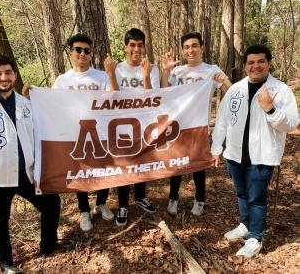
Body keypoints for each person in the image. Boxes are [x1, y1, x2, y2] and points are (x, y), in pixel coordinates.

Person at [0, 55, 61, 274]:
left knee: (51, 203)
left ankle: (48, 247)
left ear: (14, 74)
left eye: (8, 72)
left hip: (24, 172)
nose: (3, 78)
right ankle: (6, 264)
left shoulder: (24, 103)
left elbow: (37, 131)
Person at [211, 45, 299, 258]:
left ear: (269, 63)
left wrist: (271, 109)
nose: (255, 65)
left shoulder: (281, 90)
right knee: (242, 193)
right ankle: (245, 225)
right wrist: (216, 149)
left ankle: (255, 238)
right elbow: (222, 121)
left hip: (262, 156)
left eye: (261, 61)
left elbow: (292, 124)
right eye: (251, 62)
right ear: (245, 66)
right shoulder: (235, 90)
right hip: (234, 154)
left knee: (256, 198)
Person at [161, 32, 232, 216]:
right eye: (186, 47)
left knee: (198, 165)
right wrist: (166, 71)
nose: (190, 50)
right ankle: (173, 199)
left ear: (202, 48)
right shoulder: (178, 71)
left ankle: (200, 200)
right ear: (183, 51)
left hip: (199, 125)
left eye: (194, 46)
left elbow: (231, 92)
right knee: (176, 164)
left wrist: (222, 80)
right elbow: (163, 93)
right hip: (178, 125)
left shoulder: (211, 69)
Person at [53, 33, 116, 232]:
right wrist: (33, 95)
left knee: (105, 168)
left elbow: (114, 99)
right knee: (79, 170)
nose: (83, 54)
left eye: (86, 50)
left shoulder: (101, 76)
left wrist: (111, 74)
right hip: (75, 133)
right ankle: (84, 210)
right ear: (71, 53)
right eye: (78, 50)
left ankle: (100, 203)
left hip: (101, 131)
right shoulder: (62, 80)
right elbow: (52, 104)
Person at [104, 28, 160, 226]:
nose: (136, 49)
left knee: (142, 162)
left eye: (140, 45)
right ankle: (123, 206)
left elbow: (152, 100)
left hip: (144, 126)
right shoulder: (116, 69)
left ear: (144, 47)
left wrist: (145, 76)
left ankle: (140, 197)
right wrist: (110, 75)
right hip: (121, 126)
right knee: (123, 166)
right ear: (125, 47)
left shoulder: (152, 69)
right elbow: (113, 99)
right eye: (132, 45)